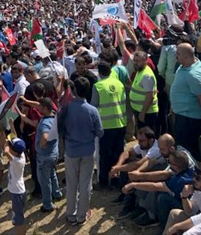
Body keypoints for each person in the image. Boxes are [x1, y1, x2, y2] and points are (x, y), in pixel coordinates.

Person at [59, 75, 102, 225]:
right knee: (85, 184)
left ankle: (71, 215)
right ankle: (82, 215)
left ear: (74, 89)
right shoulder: (92, 110)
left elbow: (59, 128)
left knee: (71, 184)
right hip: (87, 151)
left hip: (71, 151)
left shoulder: (66, 108)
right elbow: (100, 132)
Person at [121, 150, 196, 229]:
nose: (168, 163)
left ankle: (163, 227)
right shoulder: (190, 171)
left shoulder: (179, 181)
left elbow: (155, 186)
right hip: (191, 205)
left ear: (176, 167)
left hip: (188, 210)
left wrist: (133, 185)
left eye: (169, 161)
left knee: (163, 198)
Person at [170, 44, 201, 159]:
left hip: (189, 120)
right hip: (182, 115)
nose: (176, 56)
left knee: (188, 151)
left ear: (186, 56)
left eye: (178, 54)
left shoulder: (194, 75)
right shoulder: (186, 64)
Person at [93, 60, 127, 190]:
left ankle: (103, 182)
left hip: (106, 126)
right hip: (121, 123)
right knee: (118, 154)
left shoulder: (98, 86)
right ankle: (115, 180)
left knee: (104, 155)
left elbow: (94, 106)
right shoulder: (119, 84)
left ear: (100, 73)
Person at [165, 162, 201, 235]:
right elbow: (190, 211)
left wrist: (176, 227)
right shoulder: (199, 191)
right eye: (194, 176)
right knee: (174, 213)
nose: (194, 179)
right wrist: (184, 197)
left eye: (198, 178)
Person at [34, 97, 62, 213]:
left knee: (44, 181)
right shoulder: (54, 117)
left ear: (45, 108)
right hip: (54, 153)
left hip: (45, 156)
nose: (38, 108)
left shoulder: (45, 122)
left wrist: (41, 143)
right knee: (52, 174)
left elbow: (45, 137)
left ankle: (47, 205)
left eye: (40, 106)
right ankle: (57, 193)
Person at [129, 51, 160, 132]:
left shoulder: (147, 76)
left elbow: (150, 96)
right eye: (134, 60)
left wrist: (142, 113)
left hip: (147, 113)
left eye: (138, 61)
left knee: (147, 136)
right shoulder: (140, 71)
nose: (135, 63)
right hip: (139, 110)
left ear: (145, 61)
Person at [5, 138, 27, 235]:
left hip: (17, 193)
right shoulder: (21, 154)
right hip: (18, 191)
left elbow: (6, 151)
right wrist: (12, 126)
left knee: (18, 219)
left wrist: (6, 143)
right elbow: (16, 138)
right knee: (18, 216)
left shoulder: (16, 161)